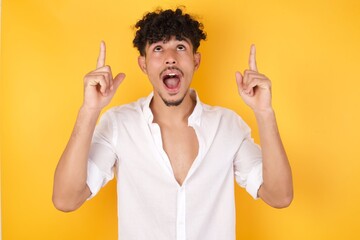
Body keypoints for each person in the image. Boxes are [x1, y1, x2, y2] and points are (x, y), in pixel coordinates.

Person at [53, 8, 293, 240]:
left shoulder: (228, 126)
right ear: (143, 64)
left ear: (196, 61)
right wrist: (89, 110)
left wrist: (264, 112)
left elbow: (279, 196)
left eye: (180, 47)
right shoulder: (119, 125)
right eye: (158, 49)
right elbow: (66, 200)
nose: (170, 58)